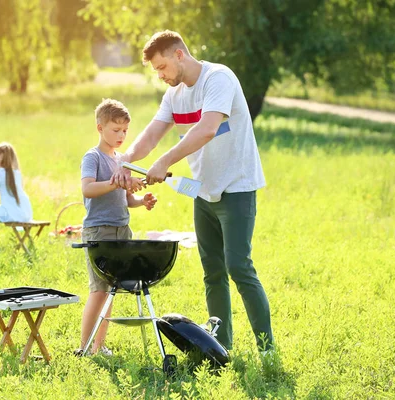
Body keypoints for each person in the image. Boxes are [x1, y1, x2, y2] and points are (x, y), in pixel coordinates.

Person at [111, 30, 273, 352]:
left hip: (236, 187)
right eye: (156, 71)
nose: (160, 75)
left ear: (179, 54)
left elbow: (207, 129)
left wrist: (166, 160)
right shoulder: (174, 96)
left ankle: (267, 349)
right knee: (212, 272)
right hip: (203, 192)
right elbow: (152, 134)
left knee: (238, 267)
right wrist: (127, 159)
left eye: (161, 67)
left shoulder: (218, 79)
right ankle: (220, 346)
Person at [77, 99, 157, 356]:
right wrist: (116, 182)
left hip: (122, 230)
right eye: (115, 130)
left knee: (110, 291)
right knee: (98, 290)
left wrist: (139, 201)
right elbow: (88, 189)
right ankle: (85, 346)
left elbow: (124, 198)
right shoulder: (93, 157)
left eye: (125, 131)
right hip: (99, 231)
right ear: (100, 128)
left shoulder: (122, 159)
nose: (121, 135)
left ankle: (99, 345)